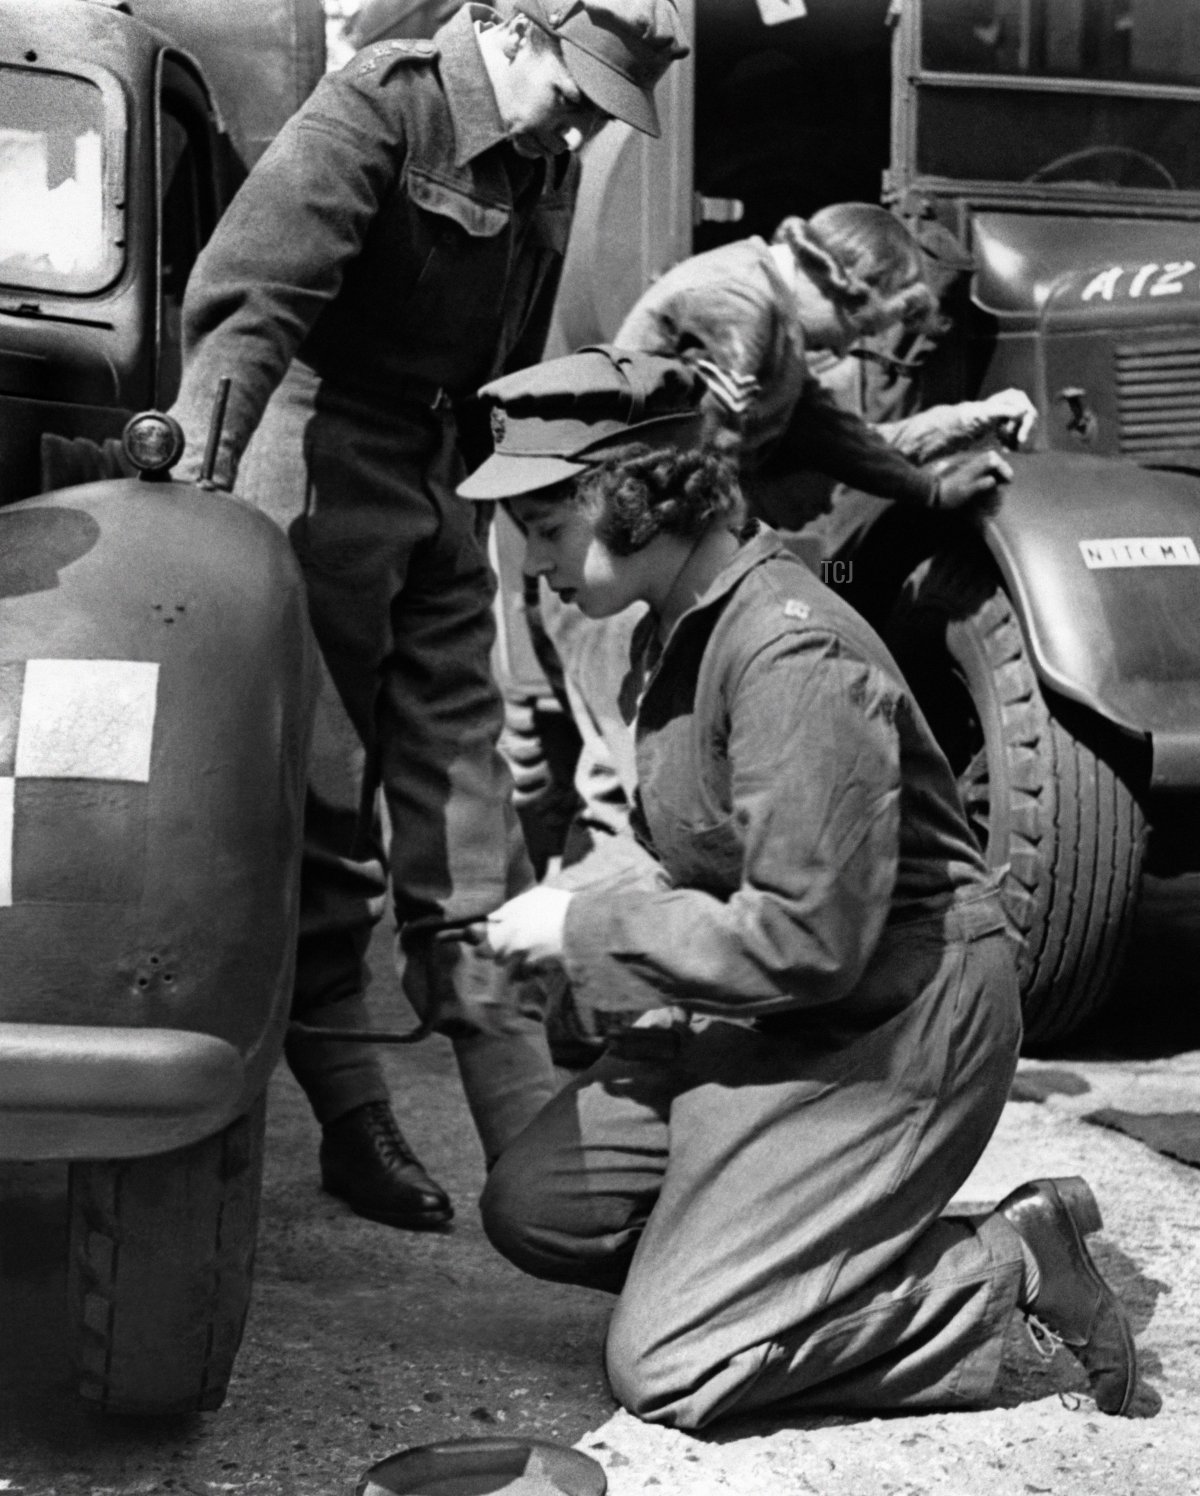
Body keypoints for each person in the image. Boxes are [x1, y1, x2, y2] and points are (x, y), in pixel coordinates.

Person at [458, 344, 1137, 1427]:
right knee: (544, 1205)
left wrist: (589, 926)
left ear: (634, 497)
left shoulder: (788, 649)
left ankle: (1002, 1263)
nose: (532, 564)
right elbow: (703, 860)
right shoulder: (677, 628)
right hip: (775, 1005)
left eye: (546, 527)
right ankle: (773, 1261)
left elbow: (808, 937)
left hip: (891, 1025)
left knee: (672, 1365)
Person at [165, 0, 689, 1230]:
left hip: (438, 480)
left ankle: (538, 1172)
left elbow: (505, 355)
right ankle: (352, 1114)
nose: (579, 126)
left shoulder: (542, 154)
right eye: (577, 87)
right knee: (328, 812)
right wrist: (202, 501)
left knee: (468, 808)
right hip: (316, 456)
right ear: (514, 25)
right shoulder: (382, 104)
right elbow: (245, 303)